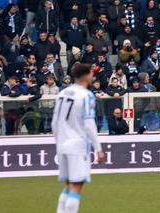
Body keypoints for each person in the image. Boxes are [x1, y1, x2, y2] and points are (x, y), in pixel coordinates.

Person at [52, 62, 105, 213]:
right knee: (76, 186)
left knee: (69, 185)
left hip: (63, 144)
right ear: (88, 75)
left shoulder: (63, 93)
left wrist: (59, 142)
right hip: (78, 145)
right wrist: (98, 149)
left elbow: (55, 123)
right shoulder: (87, 95)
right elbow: (89, 124)